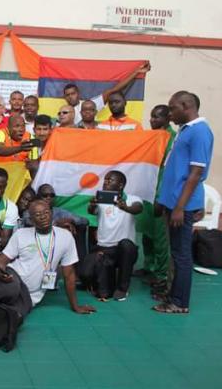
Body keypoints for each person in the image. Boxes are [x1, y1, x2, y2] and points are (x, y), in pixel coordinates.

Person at [0, 199, 96, 317]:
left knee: (14, 313)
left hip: (31, 295)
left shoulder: (65, 237)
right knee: (11, 290)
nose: (43, 217)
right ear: (32, 219)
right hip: (12, 277)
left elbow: (69, 275)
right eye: (38, 215)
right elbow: (2, 260)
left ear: (52, 213)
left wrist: (76, 306)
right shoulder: (21, 235)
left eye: (46, 213)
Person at [154, 91, 213, 314]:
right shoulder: (185, 130)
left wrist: (180, 206)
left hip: (181, 205)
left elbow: (196, 172)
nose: (170, 113)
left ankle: (179, 302)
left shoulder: (200, 132)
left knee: (181, 255)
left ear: (186, 105)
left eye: (172, 108)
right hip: (173, 202)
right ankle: (172, 296)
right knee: (175, 252)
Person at [83, 171, 142, 301]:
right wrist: (92, 205)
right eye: (105, 179)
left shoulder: (133, 199)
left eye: (110, 180)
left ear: (120, 185)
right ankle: (106, 283)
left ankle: (122, 288)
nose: (106, 182)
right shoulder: (101, 200)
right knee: (91, 280)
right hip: (104, 249)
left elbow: (138, 208)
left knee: (126, 244)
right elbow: (92, 211)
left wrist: (124, 207)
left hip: (123, 251)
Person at [139, 105, 177, 296]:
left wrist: (161, 196)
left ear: (167, 118)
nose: (152, 120)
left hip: (160, 194)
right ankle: (148, 265)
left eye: (157, 117)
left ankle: (161, 275)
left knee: (161, 237)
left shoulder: (171, 139)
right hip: (147, 190)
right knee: (147, 232)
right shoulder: (151, 136)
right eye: (151, 117)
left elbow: (168, 171)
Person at [63, 61, 151, 124]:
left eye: (73, 93)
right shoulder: (62, 112)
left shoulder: (89, 104)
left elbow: (113, 90)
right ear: (65, 97)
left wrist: (136, 72)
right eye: (67, 95)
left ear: (78, 93)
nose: (70, 96)